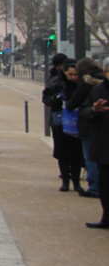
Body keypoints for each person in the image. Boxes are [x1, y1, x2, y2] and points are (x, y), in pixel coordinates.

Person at [67, 57, 104, 198]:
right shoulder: (104, 82)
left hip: (88, 123)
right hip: (104, 124)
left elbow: (73, 103)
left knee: (90, 156)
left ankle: (94, 187)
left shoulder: (87, 83)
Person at [79, 57, 109, 229]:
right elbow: (84, 112)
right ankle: (106, 218)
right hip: (103, 143)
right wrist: (93, 111)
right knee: (105, 185)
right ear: (105, 73)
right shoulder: (97, 90)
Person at [48, 60, 85, 192]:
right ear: (64, 72)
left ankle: (76, 182)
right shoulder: (56, 83)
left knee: (76, 154)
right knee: (62, 154)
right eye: (71, 74)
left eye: (76, 74)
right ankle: (65, 181)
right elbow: (46, 99)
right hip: (60, 123)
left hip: (77, 123)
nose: (74, 77)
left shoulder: (82, 85)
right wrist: (56, 99)